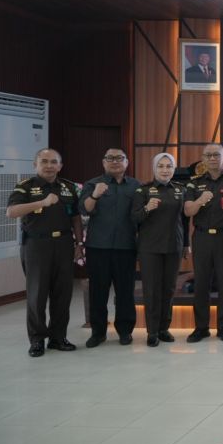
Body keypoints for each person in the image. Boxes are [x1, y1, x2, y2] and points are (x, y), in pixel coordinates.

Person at [6, 148, 84, 357]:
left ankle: (58, 338)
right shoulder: (25, 186)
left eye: (53, 162)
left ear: (60, 165)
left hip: (64, 244)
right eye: (44, 161)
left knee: (62, 294)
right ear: (35, 164)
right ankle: (37, 340)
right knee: (37, 295)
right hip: (36, 245)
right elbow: (11, 212)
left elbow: (76, 217)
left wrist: (79, 244)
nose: (49, 165)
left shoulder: (68, 187)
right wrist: (41, 203)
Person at [79, 148, 140, 347]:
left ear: (126, 162)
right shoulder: (92, 184)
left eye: (119, 158)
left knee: (125, 292)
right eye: (110, 158)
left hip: (126, 246)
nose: (115, 162)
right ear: (103, 162)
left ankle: (125, 331)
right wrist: (95, 195)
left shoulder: (136, 186)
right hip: (98, 247)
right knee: (98, 292)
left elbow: (140, 215)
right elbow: (84, 209)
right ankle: (98, 333)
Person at [184, 144, 223, 342]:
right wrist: (200, 200)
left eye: (216, 155)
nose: (212, 158)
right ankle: (201, 328)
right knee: (201, 284)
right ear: (203, 159)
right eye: (208, 155)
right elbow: (188, 211)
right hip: (201, 237)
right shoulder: (195, 183)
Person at [131, 153, 186, 348]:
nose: (165, 170)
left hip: (173, 245)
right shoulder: (143, 190)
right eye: (160, 166)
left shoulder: (180, 190)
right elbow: (134, 218)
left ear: (174, 169)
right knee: (152, 290)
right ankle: (152, 331)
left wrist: (186, 244)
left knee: (169, 288)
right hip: (150, 247)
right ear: (154, 169)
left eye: (169, 166)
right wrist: (147, 208)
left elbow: (184, 220)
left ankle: (164, 328)